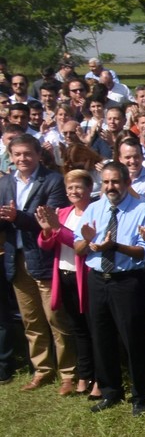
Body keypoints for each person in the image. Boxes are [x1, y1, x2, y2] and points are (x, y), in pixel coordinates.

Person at [75, 161, 145, 414]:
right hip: (98, 279)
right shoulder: (94, 208)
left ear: (127, 183)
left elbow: (144, 253)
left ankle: (140, 396)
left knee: (133, 339)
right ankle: (111, 390)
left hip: (126, 281)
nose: (110, 187)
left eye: (115, 182)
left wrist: (114, 246)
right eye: (106, 182)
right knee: (101, 337)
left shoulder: (142, 210)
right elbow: (79, 249)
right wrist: (88, 240)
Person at [0, 133, 71, 390]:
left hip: (44, 258)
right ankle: (42, 369)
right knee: (31, 319)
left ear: (39, 155)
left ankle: (68, 373)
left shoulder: (52, 181)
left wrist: (17, 216)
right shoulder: (5, 183)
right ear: (10, 156)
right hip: (15, 258)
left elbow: (50, 222)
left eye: (27, 154)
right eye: (17, 154)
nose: (22, 159)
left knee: (56, 318)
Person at [34, 168, 95, 396]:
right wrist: (47, 231)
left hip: (86, 277)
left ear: (89, 189)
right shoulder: (63, 212)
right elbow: (47, 245)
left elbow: (81, 243)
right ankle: (83, 375)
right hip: (64, 275)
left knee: (92, 328)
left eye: (79, 186)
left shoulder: (94, 211)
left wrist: (58, 229)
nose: (74, 191)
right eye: (70, 188)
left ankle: (97, 377)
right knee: (77, 329)